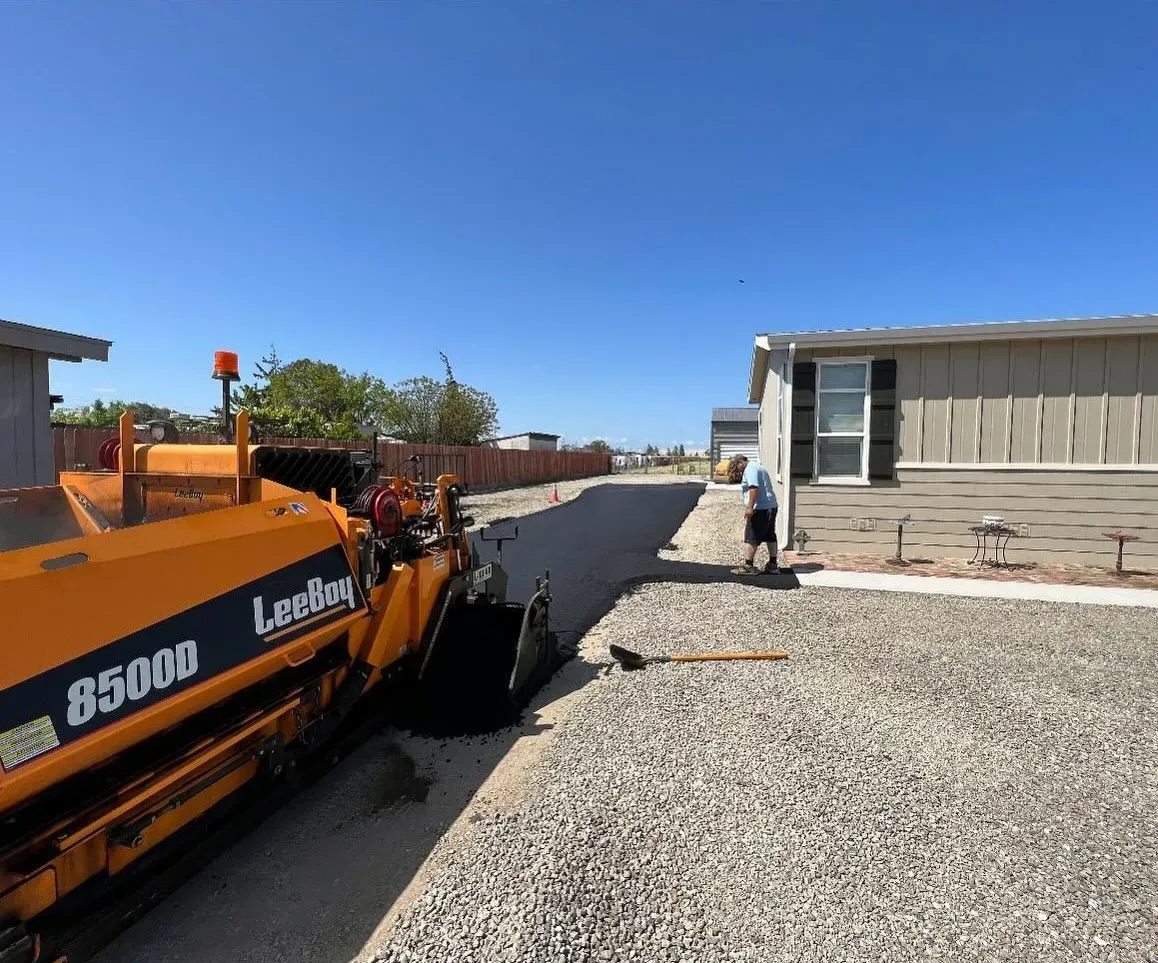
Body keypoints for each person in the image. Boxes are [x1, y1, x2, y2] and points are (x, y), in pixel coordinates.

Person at [731, 455, 779, 576]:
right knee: (770, 535)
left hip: (760, 508)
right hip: (771, 506)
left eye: (737, 466)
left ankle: (748, 565)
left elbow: (753, 487)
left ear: (741, 462)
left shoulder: (750, 469)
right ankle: (773, 564)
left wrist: (750, 507)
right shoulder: (759, 467)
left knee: (751, 536)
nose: (738, 470)